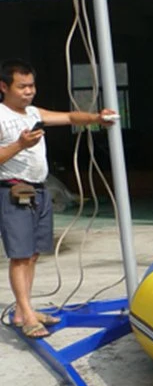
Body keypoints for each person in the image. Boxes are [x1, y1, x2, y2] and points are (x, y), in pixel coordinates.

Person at [0, 58, 116, 338]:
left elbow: (67, 117)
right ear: (4, 87)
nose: (29, 91)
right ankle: (27, 315)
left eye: (32, 86)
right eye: (22, 86)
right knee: (20, 255)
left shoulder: (32, 113)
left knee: (34, 252)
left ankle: (22, 308)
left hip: (39, 192)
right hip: (13, 191)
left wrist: (97, 118)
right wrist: (20, 145)